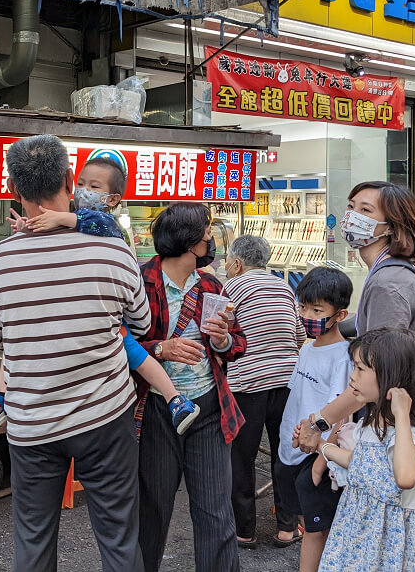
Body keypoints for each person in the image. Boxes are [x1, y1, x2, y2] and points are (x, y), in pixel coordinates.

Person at [0, 134, 150, 572]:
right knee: (118, 539)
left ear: (15, 190)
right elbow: (143, 325)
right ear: (71, 181)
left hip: (31, 422)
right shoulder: (114, 249)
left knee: (33, 544)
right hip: (105, 416)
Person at [0, 156, 199, 435]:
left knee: (137, 355)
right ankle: (1, 398)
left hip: (113, 325)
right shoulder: (70, 224)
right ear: (70, 182)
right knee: (16, 340)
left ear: (113, 199)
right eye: (81, 183)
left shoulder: (108, 227)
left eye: (94, 186)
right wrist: (26, 228)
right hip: (98, 415)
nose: (84, 191)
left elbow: (98, 225)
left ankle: (174, 399)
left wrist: (60, 217)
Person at [135, 201, 247, 572]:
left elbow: (236, 343)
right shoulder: (140, 280)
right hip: (156, 409)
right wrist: (161, 348)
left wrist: (221, 341)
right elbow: (116, 341)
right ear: (189, 240)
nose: (211, 238)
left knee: (215, 510)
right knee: (151, 507)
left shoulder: (213, 285)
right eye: (207, 231)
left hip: (209, 409)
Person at [297, 181, 415, 454]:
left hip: (391, 430)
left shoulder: (389, 283)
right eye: (351, 207)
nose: (352, 217)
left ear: (392, 226)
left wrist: (318, 423)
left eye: (366, 210)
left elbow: (377, 372)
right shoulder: (389, 273)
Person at [315, 327, 415, 571]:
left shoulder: (409, 435)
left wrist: (402, 414)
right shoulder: (369, 424)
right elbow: (363, 465)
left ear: (395, 378)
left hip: (388, 545)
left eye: (360, 369)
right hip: (354, 537)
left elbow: (405, 477)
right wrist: (321, 446)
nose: (352, 377)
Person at [222, 234, 305, 550]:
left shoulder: (231, 288)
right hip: (286, 381)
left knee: (242, 457)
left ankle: (244, 530)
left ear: (238, 263)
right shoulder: (284, 287)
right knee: (284, 451)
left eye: (228, 261)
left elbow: (220, 335)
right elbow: (298, 335)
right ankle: (287, 527)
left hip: (247, 385)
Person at [274, 267, 353, 571]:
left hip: (316, 455)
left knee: (322, 527)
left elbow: (341, 413)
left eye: (317, 309)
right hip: (291, 451)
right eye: (303, 306)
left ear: (340, 314)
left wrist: (321, 462)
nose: (307, 314)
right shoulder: (307, 348)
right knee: (309, 525)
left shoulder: (342, 355)